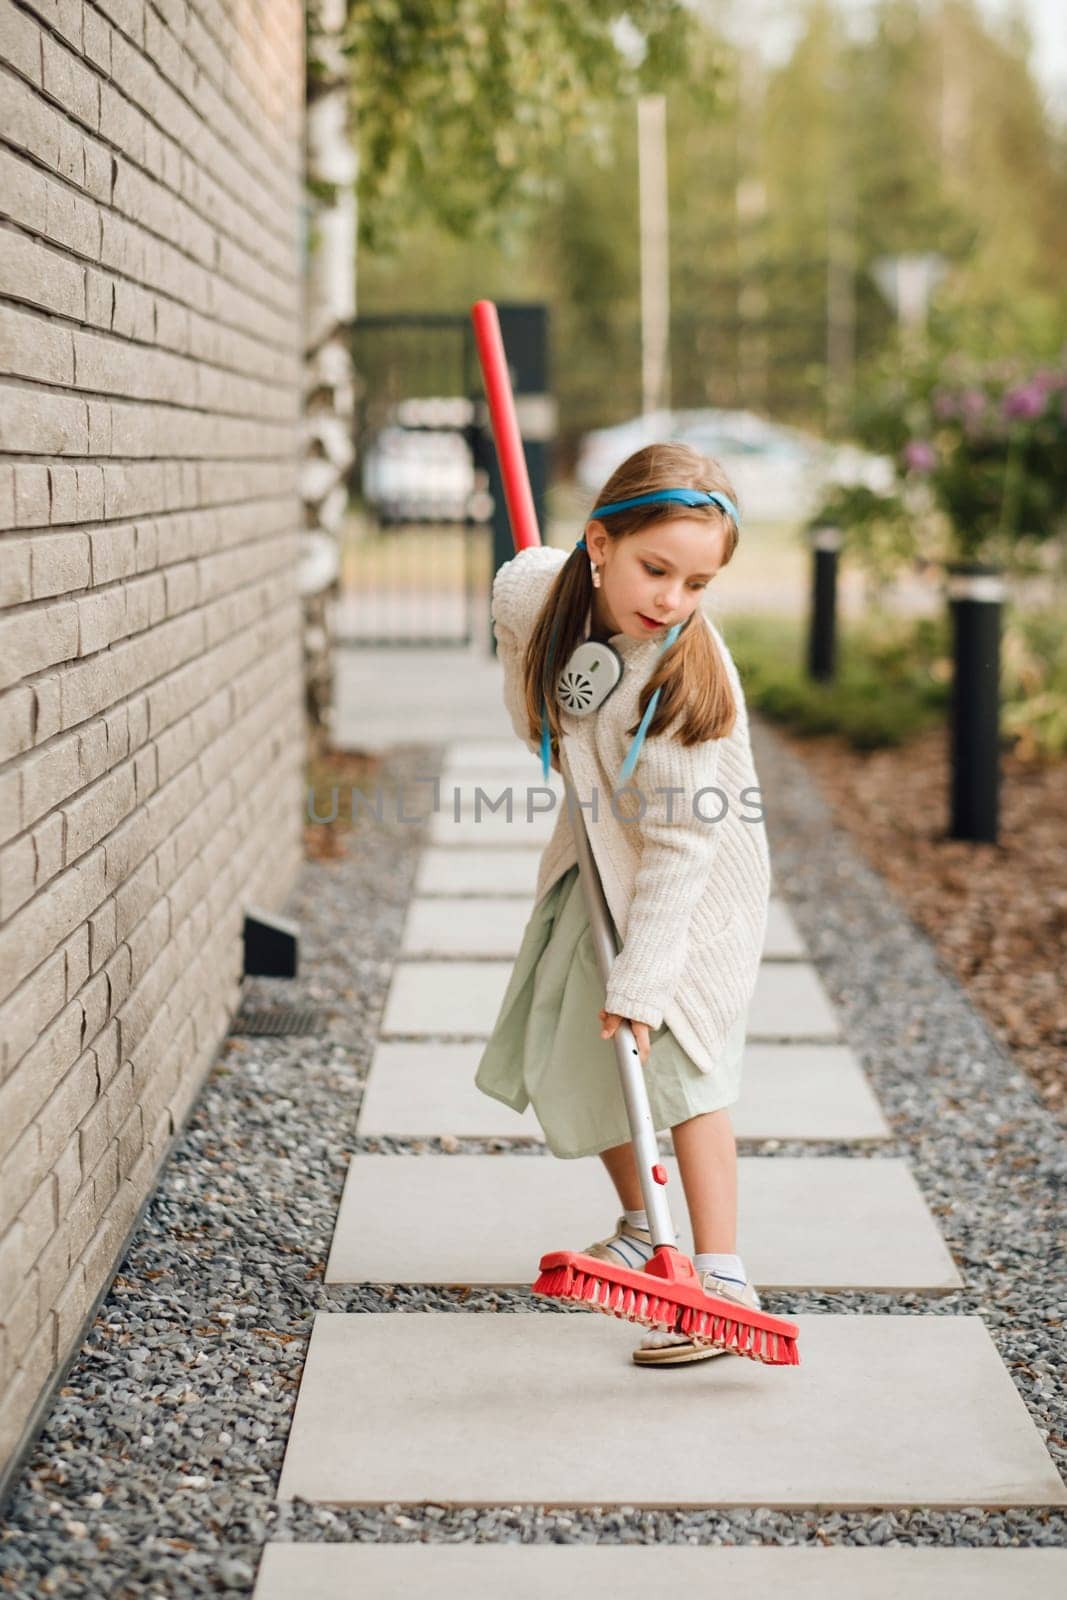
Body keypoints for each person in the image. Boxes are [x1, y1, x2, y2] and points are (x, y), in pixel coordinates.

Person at [474, 441, 771, 1367]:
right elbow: (526, 668)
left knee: (679, 1067)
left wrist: (643, 980)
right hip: (595, 862)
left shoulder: (684, 681)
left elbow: (684, 848)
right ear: (598, 544)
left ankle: (719, 1276)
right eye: (654, 569)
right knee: (576, 1044)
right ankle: (648, 1230)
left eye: (695, 583)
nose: (670, 600)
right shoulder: (539, 594)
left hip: (688, 888)